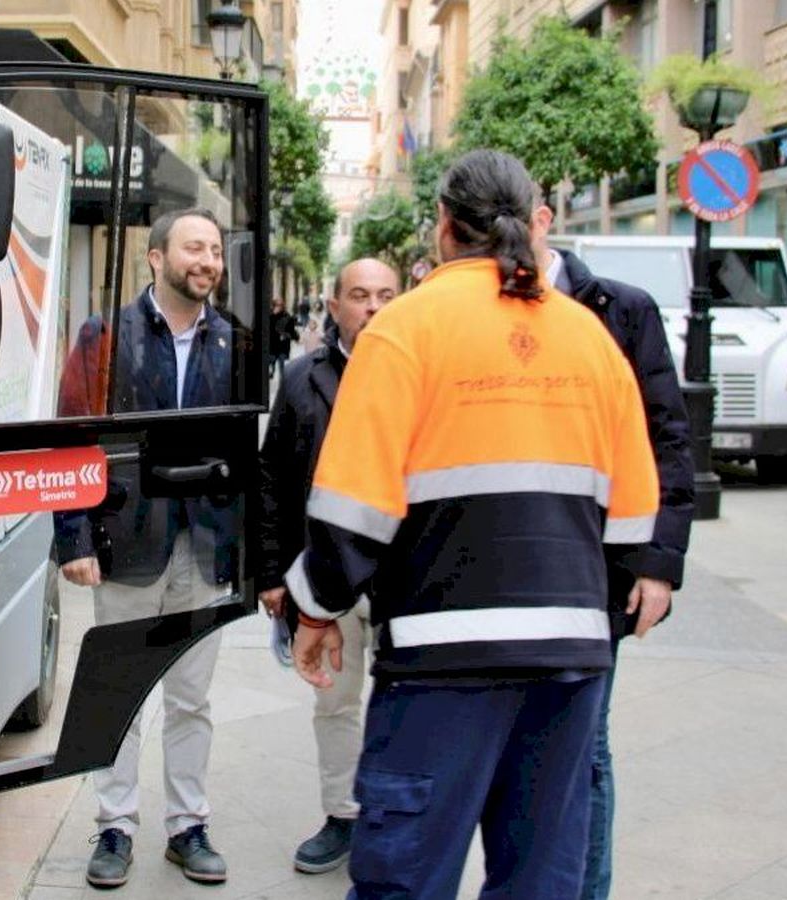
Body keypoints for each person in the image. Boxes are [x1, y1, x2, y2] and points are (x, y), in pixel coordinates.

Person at [288, 150, 660, 899]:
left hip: (440, 664)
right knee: (541, 881)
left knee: (406, 880)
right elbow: (634, 516)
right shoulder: (589, 337)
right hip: (569, 667)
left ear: (443, 225)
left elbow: (351, 511)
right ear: (528, 221)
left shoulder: (404, 329)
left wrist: (314, 610)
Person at [55, 207, 236, 888]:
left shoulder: (234, 343)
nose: (207, 261)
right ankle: (115, 827)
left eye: (215, 250)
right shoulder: (106, 336)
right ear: (156, 258)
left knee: (192, 699)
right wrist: (73, 535)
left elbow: (246, 454)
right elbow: (72, 437)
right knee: (119, 691)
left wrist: (249, 552)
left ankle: (187, 826)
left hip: (206, 547)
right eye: (194, 248)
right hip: (127, 543)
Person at [530, 203, 694, 900]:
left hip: (598, 566)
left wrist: (660, 564)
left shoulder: (621, 309)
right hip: (511, 565)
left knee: (585, 746)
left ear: (542, 219)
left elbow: (668, 438)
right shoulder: (481, 306)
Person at [256, 257, 399, 875]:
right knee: (335, 703)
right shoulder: (299, 378)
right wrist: (271, 574)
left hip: (402, 579)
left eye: (386, 295)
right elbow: (271, 478)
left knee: (404, 705)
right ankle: (342, 815)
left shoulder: (419, 373)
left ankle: (391, 818)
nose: (373, 307)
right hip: (326, 576)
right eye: (360, 295)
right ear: (334, 306)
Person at [268, 297, 298, 378]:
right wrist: (273, 315)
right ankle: (272, 371)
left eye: (280, 305)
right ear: (273, 305)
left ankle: (282, 382)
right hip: (272, 345)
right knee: (271, 361)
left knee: (282, 366)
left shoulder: (287, 316)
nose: (279, 307)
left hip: (283, 345)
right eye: (277, 305)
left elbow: (291, 330)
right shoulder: (269, 316)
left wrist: (296, 337)